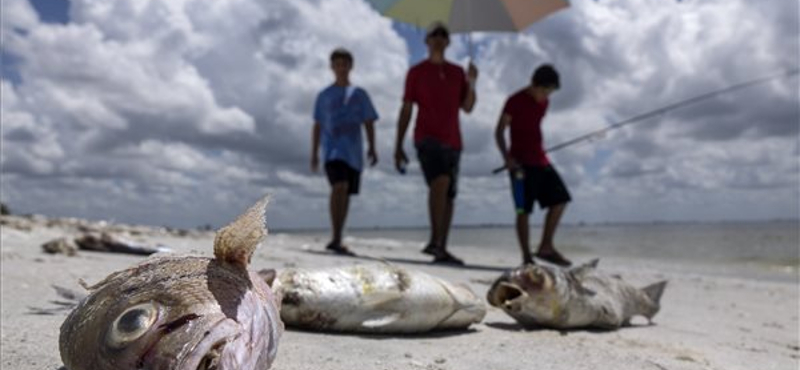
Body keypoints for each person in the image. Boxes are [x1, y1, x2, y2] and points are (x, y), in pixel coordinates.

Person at [394, 22, 478, 265]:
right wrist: (398, 145)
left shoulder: (457, 72)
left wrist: (472, 82)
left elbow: (468, 107)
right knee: (440, 182)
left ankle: (442, 246)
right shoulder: (416, 72)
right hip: (427, 138)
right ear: (426, 40)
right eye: (435, 34)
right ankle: (434, 240)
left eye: (444, 34)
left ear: (449, 41)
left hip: (454, 141)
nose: (439, 38)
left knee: (450, 194)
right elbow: (407, 108)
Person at [494, 64, 572, 267]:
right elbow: (499, 131)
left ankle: (546, 246)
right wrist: (507, 158)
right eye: (544, 90)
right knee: (523, 211)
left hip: (540, 160)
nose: (546, 96)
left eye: (550, 92)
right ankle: (527, 257)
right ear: (534, 84)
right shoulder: (514, 101)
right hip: (519, 165)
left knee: (561, 199)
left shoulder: (544, 104)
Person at [311, 48, 378, 256]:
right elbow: (317, 124)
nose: (341, 67)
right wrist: (314, 153)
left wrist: (372, 147)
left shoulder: (360, 94)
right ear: (332, 67)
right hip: (331, 151)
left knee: (347, 191)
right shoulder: (324, 95)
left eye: (345, 63)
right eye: (337, 63)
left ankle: (338, 236)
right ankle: (335, 235)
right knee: (339, 186)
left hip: (353, 152)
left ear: (350, 66)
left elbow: (369, 121)